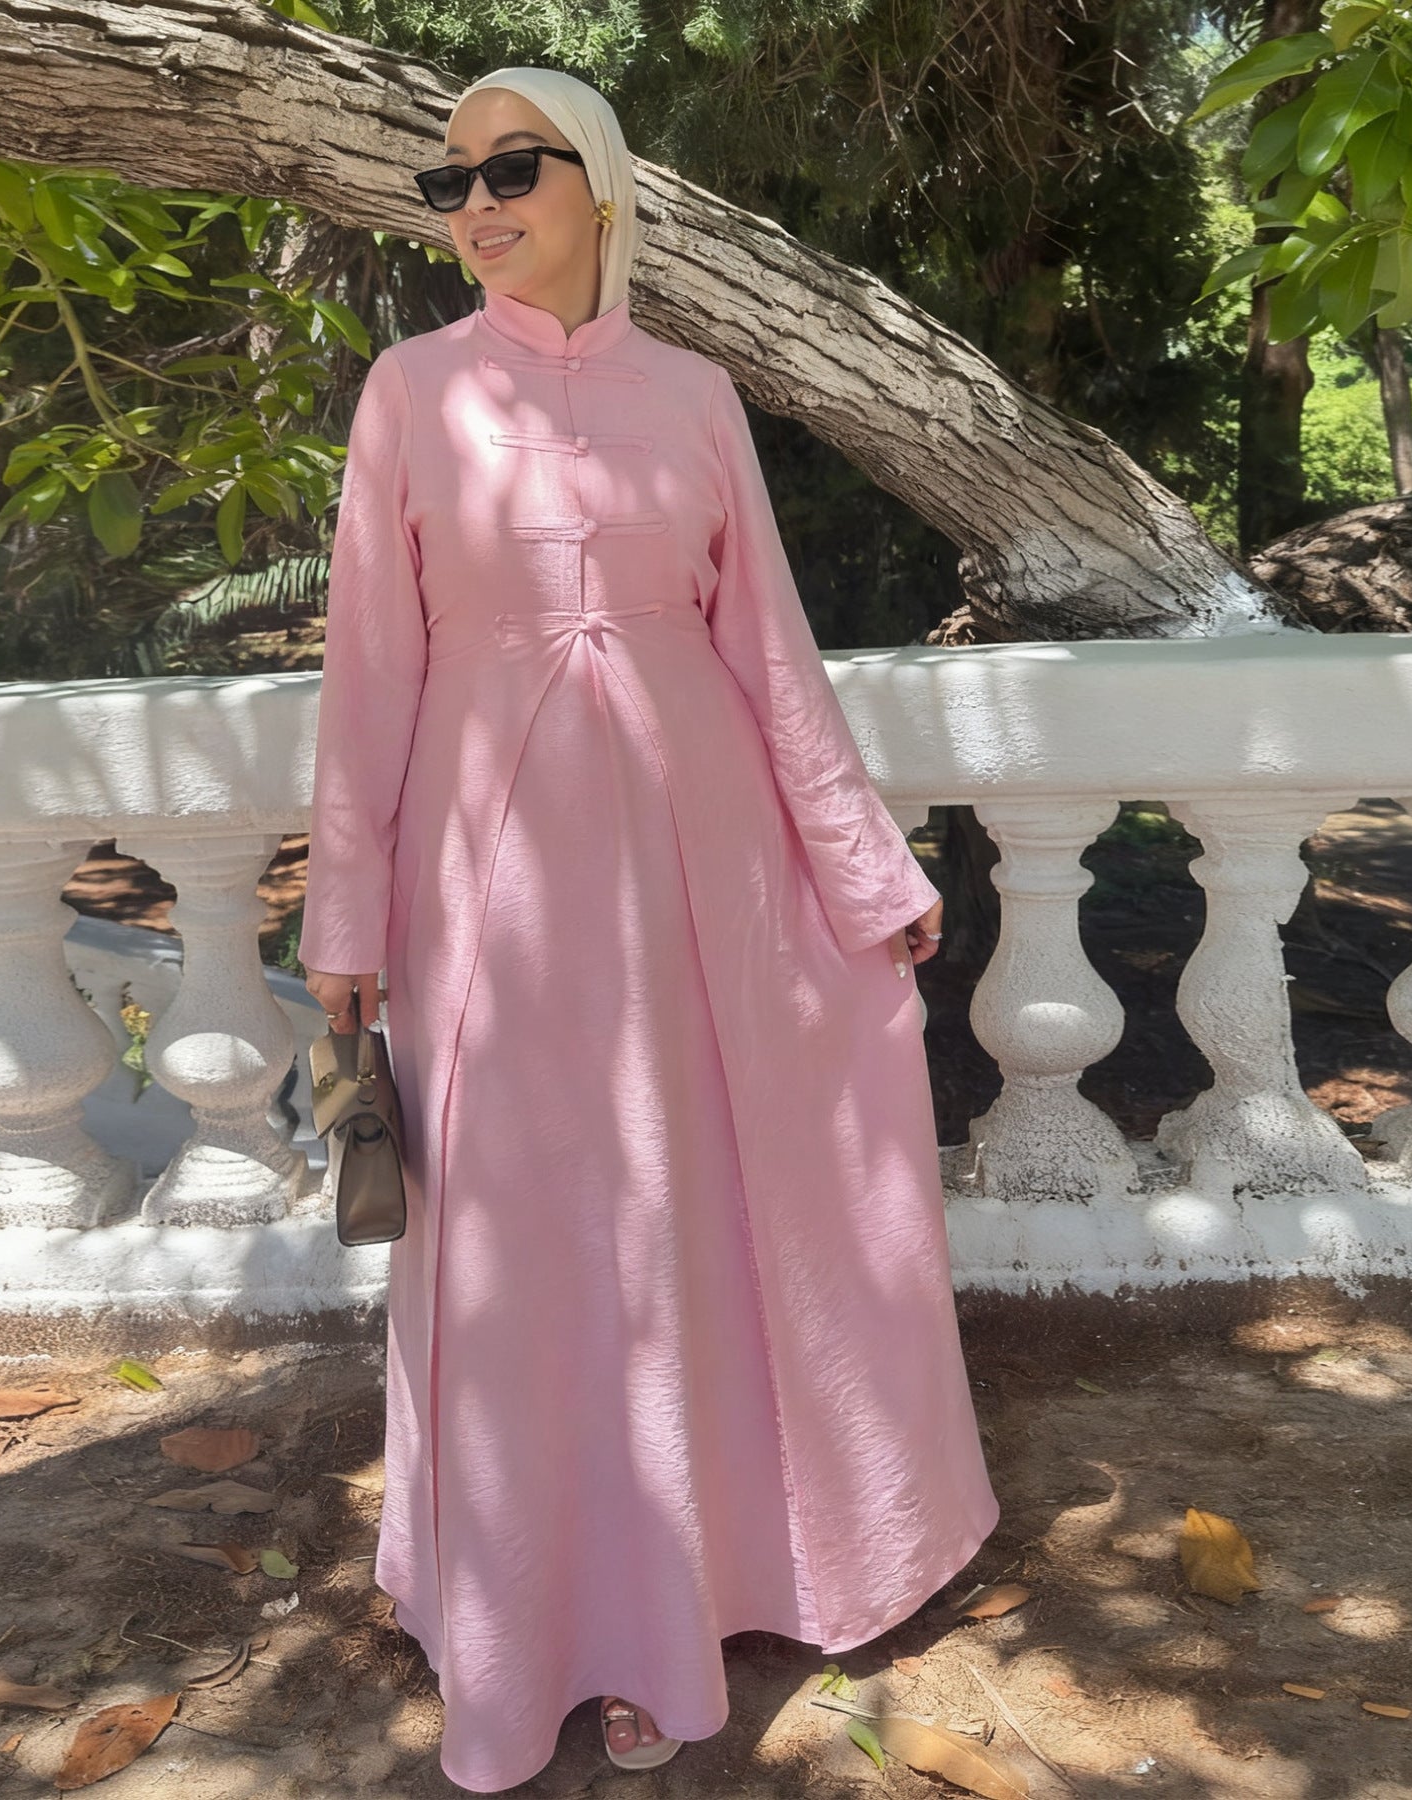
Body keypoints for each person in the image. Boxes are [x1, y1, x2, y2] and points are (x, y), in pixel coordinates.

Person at [301, 64, 999, 1793]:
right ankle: (530, 1619)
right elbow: (367, 672)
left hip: (706, 873)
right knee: (530, 1240)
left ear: (597, 183)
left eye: (510, 169)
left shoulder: (694, 396)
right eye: (449, 180)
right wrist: (347, 912)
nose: (475, 205)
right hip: (493, 884)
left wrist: (864, 872)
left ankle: (681, 1603)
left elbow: (767, 648)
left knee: (688, 1219)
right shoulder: (409, 393)